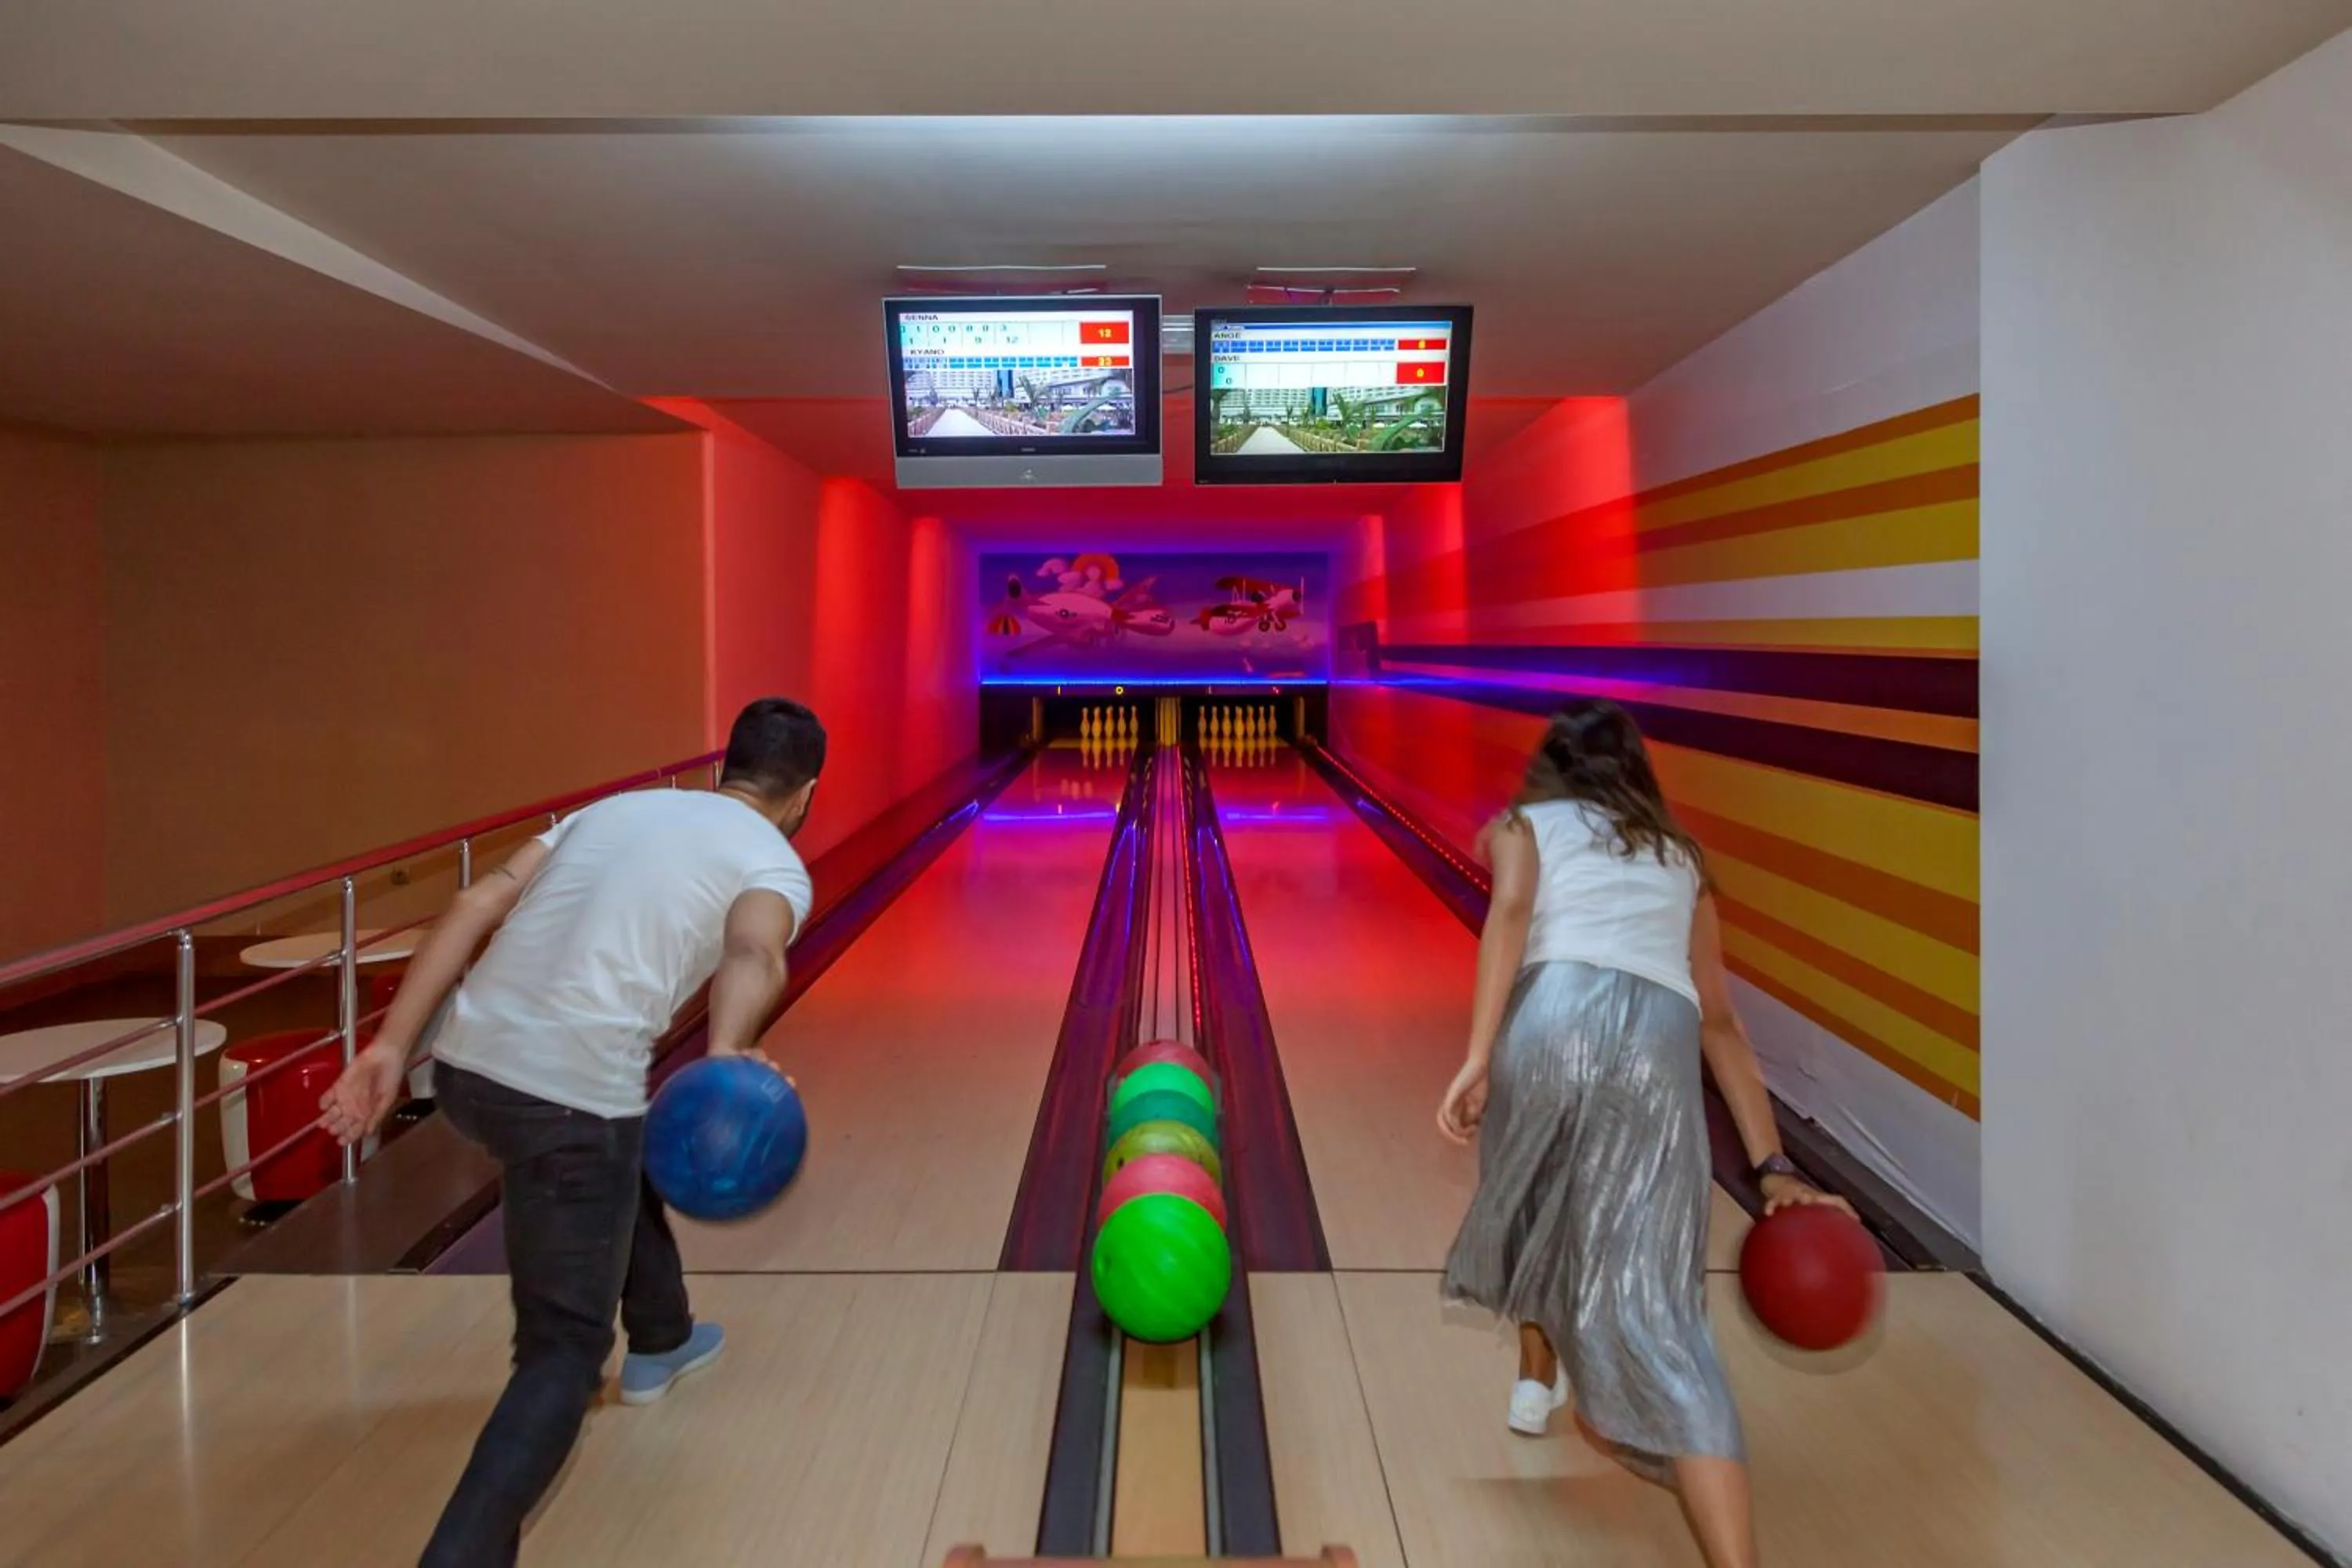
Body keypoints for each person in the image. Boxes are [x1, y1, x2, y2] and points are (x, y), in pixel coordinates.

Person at [320, 697, 826, 1568]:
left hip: (468, 1067)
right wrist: (732, 1051)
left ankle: (663, 1336)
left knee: (608, 1158)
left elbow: (479, 899)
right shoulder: (772, 861)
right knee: (561, 1353)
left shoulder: (615, 807)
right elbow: (752, 950)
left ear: (722, 768)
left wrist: (392, 1045)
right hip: (566, 1097)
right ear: (805, 796)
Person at [1436, 699, 1851, 1568]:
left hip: (1549, 1024)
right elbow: (1722, 1024)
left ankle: (1536, 1378)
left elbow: (1509, 916)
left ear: (1546, 766)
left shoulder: (1521, 822)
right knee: (1661, 1313)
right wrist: (1770, 1164)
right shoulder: (1682, 858)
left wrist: (1478, 1056)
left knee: (1533, 1200)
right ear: (1638, 775)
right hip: (1658, 1043)